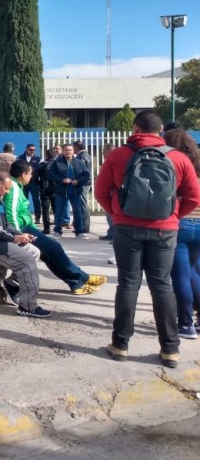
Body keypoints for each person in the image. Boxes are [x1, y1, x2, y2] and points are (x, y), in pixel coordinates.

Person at [95, 110, 200, 368]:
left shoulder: (118, 155)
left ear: (134, 128)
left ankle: (120, 345)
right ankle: (170, 350)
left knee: (128, 284)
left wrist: (117, 213)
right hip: (165, 230)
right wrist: (172, 215)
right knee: (162, 285)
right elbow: (194, 198)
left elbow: (100, 192)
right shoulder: (178, 158)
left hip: (126, 228)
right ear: (161, 129)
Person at [4, 160, 106, 295]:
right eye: (30, 174)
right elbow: (11, 213)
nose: (31, 176)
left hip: (26, 227)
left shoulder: (16, 185)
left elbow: (21, 212)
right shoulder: (14, 188)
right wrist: (17, 235)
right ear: (23, 174)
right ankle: (81, 278)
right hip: (21, 229)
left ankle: (76, 282)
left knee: (49, 253)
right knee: (54, 248)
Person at [0, 172, 51, 318]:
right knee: (27, 261)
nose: (7, 192)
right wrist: (14, 239)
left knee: (34, 252)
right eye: (5, 189)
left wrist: (19, 234)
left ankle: (11, 283)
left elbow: (5, 224)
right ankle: (28, 306)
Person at [163, 129, 200, 339]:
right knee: (194, 271)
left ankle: (186, 324)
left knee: (180, 276)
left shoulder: (173, 163)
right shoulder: (197, 162)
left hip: (183, 222)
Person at [48, 143, 90, 238]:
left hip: (75, 191)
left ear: (73, 151)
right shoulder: (57, 163)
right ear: (63, 151)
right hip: (61, 191)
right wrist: (62, 180)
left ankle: (79, 231)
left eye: (70, 150)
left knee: (77, 211)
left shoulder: (80, 162)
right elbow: (50, 175)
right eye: (66, 150)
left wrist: (78, 181)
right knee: (59, 211)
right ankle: (57, 231)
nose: (68, 152)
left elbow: (86, 175)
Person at [17, 143, 42, 223]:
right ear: (26, 149)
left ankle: (37, 217)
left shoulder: (38, 159)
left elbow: (41, 170)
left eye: (34, 150)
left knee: (36, 200)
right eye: (30, 150)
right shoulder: (20, 158)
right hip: (23, 183)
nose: (32, 151)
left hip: (34, 183)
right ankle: (25, 217)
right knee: (24, 200)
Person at [35, 148, 57, 234]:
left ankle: (46, 228)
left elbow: (35, 177)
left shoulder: (42, 164)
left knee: (45, 209)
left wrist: (40, 183)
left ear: (46, 155)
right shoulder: (56, 164)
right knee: (56, 209)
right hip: (55, 188)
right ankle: (57, 227)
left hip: (44, 187)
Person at [72, 140, 92, 233]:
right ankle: (82, 225)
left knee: (83, 204)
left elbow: (80, 171)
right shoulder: (85, 155)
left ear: (76, 147)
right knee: (82, 204)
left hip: (83, 183)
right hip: (84, 182)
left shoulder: (81, 157)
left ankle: (85, 226)